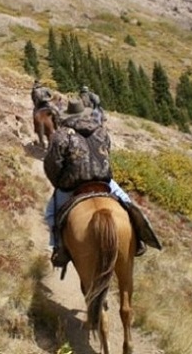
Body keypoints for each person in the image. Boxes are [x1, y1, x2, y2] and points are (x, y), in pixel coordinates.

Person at [43, 98, 146, 268]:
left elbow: (52, 164)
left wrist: (59, 183)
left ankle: (58, 248)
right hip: (103, 181)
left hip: (73, 185)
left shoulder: (60, 135)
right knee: (128, 203)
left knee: (50, 214)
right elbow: (107, 153)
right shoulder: (101, 131)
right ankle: (139, 239)